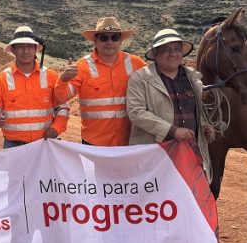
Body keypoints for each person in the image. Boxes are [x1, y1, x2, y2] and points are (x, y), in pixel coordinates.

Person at [126, 28, 213, 180]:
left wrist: (205, 128)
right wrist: (172, 131)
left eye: (176, 49)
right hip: (155, 156)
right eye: (166, 49)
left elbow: (197, 111)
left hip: (191, 154)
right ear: (155, 54)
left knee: (191, 192)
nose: (173, 53)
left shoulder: (193, 78)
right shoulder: (140, 79)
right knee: (156, 193)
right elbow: (136, 112)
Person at [54, 17, 146, 146]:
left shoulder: (136, 63)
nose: (109, 42)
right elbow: (61, 98)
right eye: (104, 37)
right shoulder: (82, 67)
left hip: (129, 142)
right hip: (94, 143)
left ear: (120, 41)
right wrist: (63, 80)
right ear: (95, 40)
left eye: (114, 37)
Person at [0, 26, 69, 147]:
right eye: (20, 47)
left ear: (35, 49)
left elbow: (63, 107)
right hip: (13, 146)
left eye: (29, 46)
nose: (25, 51)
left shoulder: (51, 76)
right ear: (13, 50)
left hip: (45, 143)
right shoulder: (2, 79)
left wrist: (56, 128)